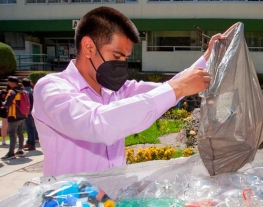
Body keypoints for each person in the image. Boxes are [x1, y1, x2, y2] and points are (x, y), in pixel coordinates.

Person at [33, 6, 234, 176]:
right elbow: (97, 123)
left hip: (114, 200)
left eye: (126, 58)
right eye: (117, 55)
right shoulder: (51, 89)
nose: (122, 64)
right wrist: (178, 87)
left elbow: (166, 91)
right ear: (88, 48)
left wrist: (208, 56)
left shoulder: (117, 90)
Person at [1, 76, 28, 160]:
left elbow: (6, 104)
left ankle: (11, 153)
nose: (8, 83)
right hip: (22, 115)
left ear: (12, 83)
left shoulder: (12, 92)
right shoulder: (23, 91)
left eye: (9, 82)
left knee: (12, 134)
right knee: (20, 132)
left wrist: (1, 101)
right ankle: (20, 150)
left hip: (13, 116)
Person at [22, 78, 37, 151]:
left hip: (28, 112)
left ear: (22, 85)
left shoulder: (25, 92)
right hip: (34, 111)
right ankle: (29, 142)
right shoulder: (33, 91)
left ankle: (32, 144)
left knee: (29, 128)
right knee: (32, 128)